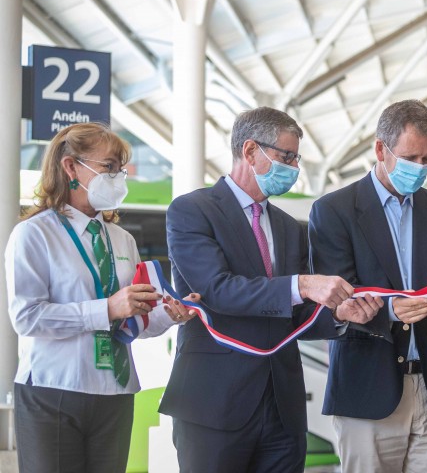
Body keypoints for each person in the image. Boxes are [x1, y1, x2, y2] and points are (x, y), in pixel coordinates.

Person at [159, 107, 379, 473]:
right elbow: (216, 290)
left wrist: (338, 313)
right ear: (249, 152)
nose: (293, 167)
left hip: (282, 408)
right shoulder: (192, 211)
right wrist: (304, 284)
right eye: (286, 156)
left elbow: (295, 312)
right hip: (215, 403)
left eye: (296, 158)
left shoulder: (289, 227)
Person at [6, 122, 198, 473]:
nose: (119, 178)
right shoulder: (34, 234)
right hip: (54, 389)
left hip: (115, 391)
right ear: (71, 167)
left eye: (121, 169)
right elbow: (27, 317)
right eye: (109, 167)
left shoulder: (122, 239)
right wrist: (106, 308)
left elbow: (135, 321)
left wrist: (169, 315)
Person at [308, 100, 427, 473]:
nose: (420, 168)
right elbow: (336, 299)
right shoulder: (334, 211)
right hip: (367, 389)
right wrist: (391, 312)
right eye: (411, 157)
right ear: (380, 149)